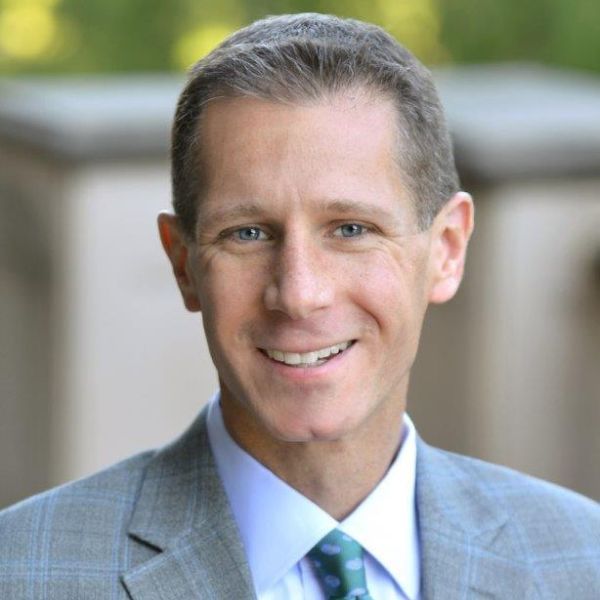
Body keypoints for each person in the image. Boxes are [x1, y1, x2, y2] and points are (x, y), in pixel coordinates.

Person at [1, 12, 599, 600]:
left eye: (351, 229)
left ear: (446, 249)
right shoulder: (21, 574)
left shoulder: (584, 561)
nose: (298, 293)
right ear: (184, 264)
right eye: (248, 234)